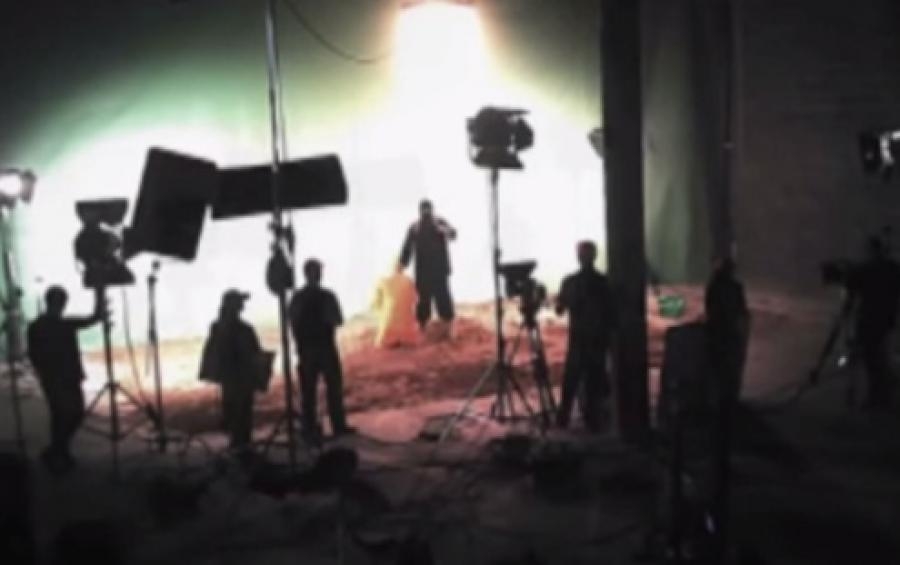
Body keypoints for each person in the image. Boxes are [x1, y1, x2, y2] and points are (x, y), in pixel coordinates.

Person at [27, 286, 104, 474]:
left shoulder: (38, 326)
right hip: (63, 377)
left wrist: (42, 372)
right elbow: (95, 318)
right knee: (70, 414)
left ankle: (57, 450)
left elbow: (33, 355)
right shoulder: (62, 325)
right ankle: (58, 451)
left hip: (58, 378)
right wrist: (99, 292)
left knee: (62, 415)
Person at [289, 259, 353, 441]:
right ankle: (338, 425)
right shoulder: (326, 296)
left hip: (307, 350)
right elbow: (336, 320)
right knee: (333, 388)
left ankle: (309, 427)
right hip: (325, 348)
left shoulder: (298, 298)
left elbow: (292, 322)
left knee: (309, 391)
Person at [555, 241, 615, 431]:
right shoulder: (603, 282)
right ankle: (593, 419)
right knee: (594, 382)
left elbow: (559, 309)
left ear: (578, 257)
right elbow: (611, 314)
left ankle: (564, 418)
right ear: (594, 257)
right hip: (597, 341)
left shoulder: (570, 282)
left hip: (578, 340)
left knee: (571, 381)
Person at [199, 290, 266, 454]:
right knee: (241, 412)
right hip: (239, 376)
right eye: (240, 303)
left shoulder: (219, 327)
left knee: (235, 411)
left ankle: (239, 444)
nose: (243, 305)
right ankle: (241, 445)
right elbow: (252, 352)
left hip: (231, 377)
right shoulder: (242, 329)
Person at [848, 236, 900, 411]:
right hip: (886, 319)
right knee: (880, 355)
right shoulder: (893, 268)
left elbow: (852, 287)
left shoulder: (866, 269)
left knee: (872, 358)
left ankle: (878, 397)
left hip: (869, 319)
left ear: (870, 250)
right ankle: (885, 392)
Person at [399, 199, 457, 333]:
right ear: (420, 212)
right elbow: (407, 247)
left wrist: (444, 230)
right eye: (424, 210)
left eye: (428, 209)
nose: (426, 212)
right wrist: (402, 263)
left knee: (443, 297)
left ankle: (447, 326)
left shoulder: (439, 223)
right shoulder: (415, 227)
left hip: (439, 270)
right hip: (423, 271)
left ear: (432, 210)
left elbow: (453, 234)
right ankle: (423, 326)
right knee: (423, 300)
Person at [705, 256, 750, 404]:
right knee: (730, 368)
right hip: (729, 333)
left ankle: (720, 398)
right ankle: (728, 398)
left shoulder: (715, 286)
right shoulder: (734, 287)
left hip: (717, 333)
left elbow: (709, 308)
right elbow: (741, 311)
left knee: (718, 368)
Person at [371, 261, 419, 348]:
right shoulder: (409, 281)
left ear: (391, 268)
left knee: (381, 341)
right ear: (403, 269)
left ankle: (390, 336)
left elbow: (375, 304)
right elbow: (415, 300)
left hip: (388, 328)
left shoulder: (383, 281)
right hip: (407, 331)